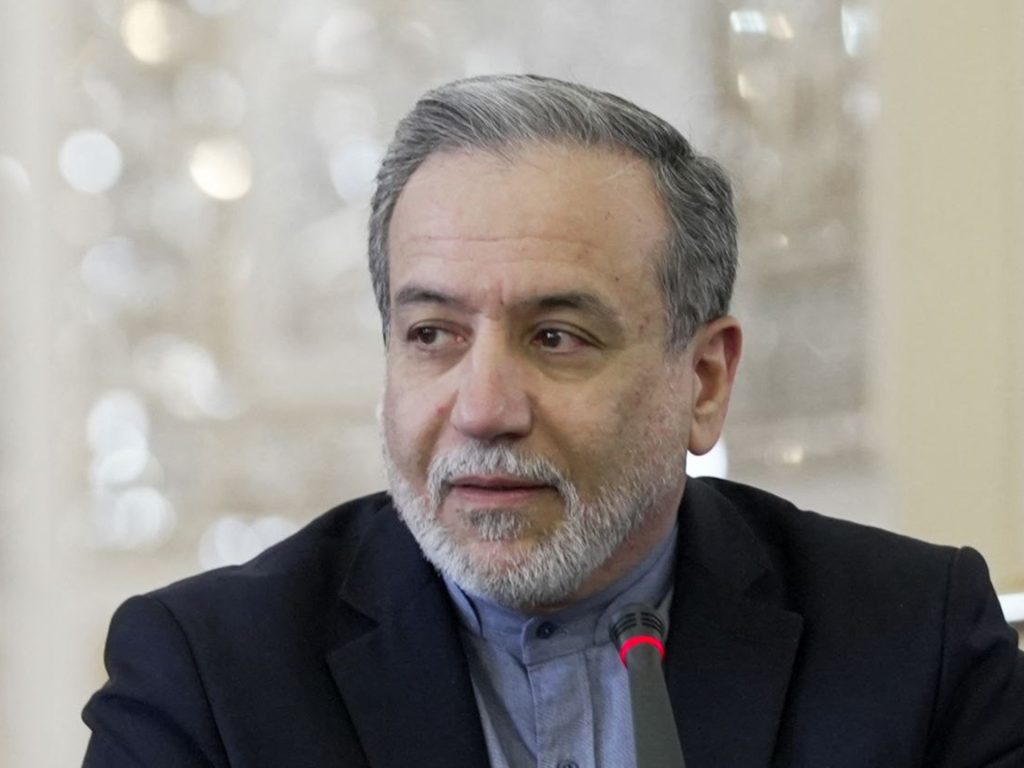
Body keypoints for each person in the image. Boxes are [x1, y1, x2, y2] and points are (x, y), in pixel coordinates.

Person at [82, 74, 1024, 768]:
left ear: (702, 381)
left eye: (558, 337)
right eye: (432, 334)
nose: (484, 409)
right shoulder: (208, 677)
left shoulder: (915, 639)